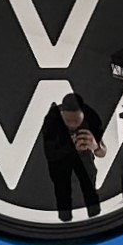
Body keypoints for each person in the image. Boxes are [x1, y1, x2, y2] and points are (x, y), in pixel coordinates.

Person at [40, 93, 107, 222]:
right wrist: (69, 146)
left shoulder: (91, 119)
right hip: (59, 159)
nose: (72, 125)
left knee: (90, 189)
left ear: (83, 114)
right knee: (62, 191)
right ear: (62, 114)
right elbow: (50, 154)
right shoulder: (51, 121)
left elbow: (103, 153)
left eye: (76, 121)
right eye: (68, 121)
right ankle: (65, 220)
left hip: (84, 158)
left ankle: (95, 217)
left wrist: (95, 146)